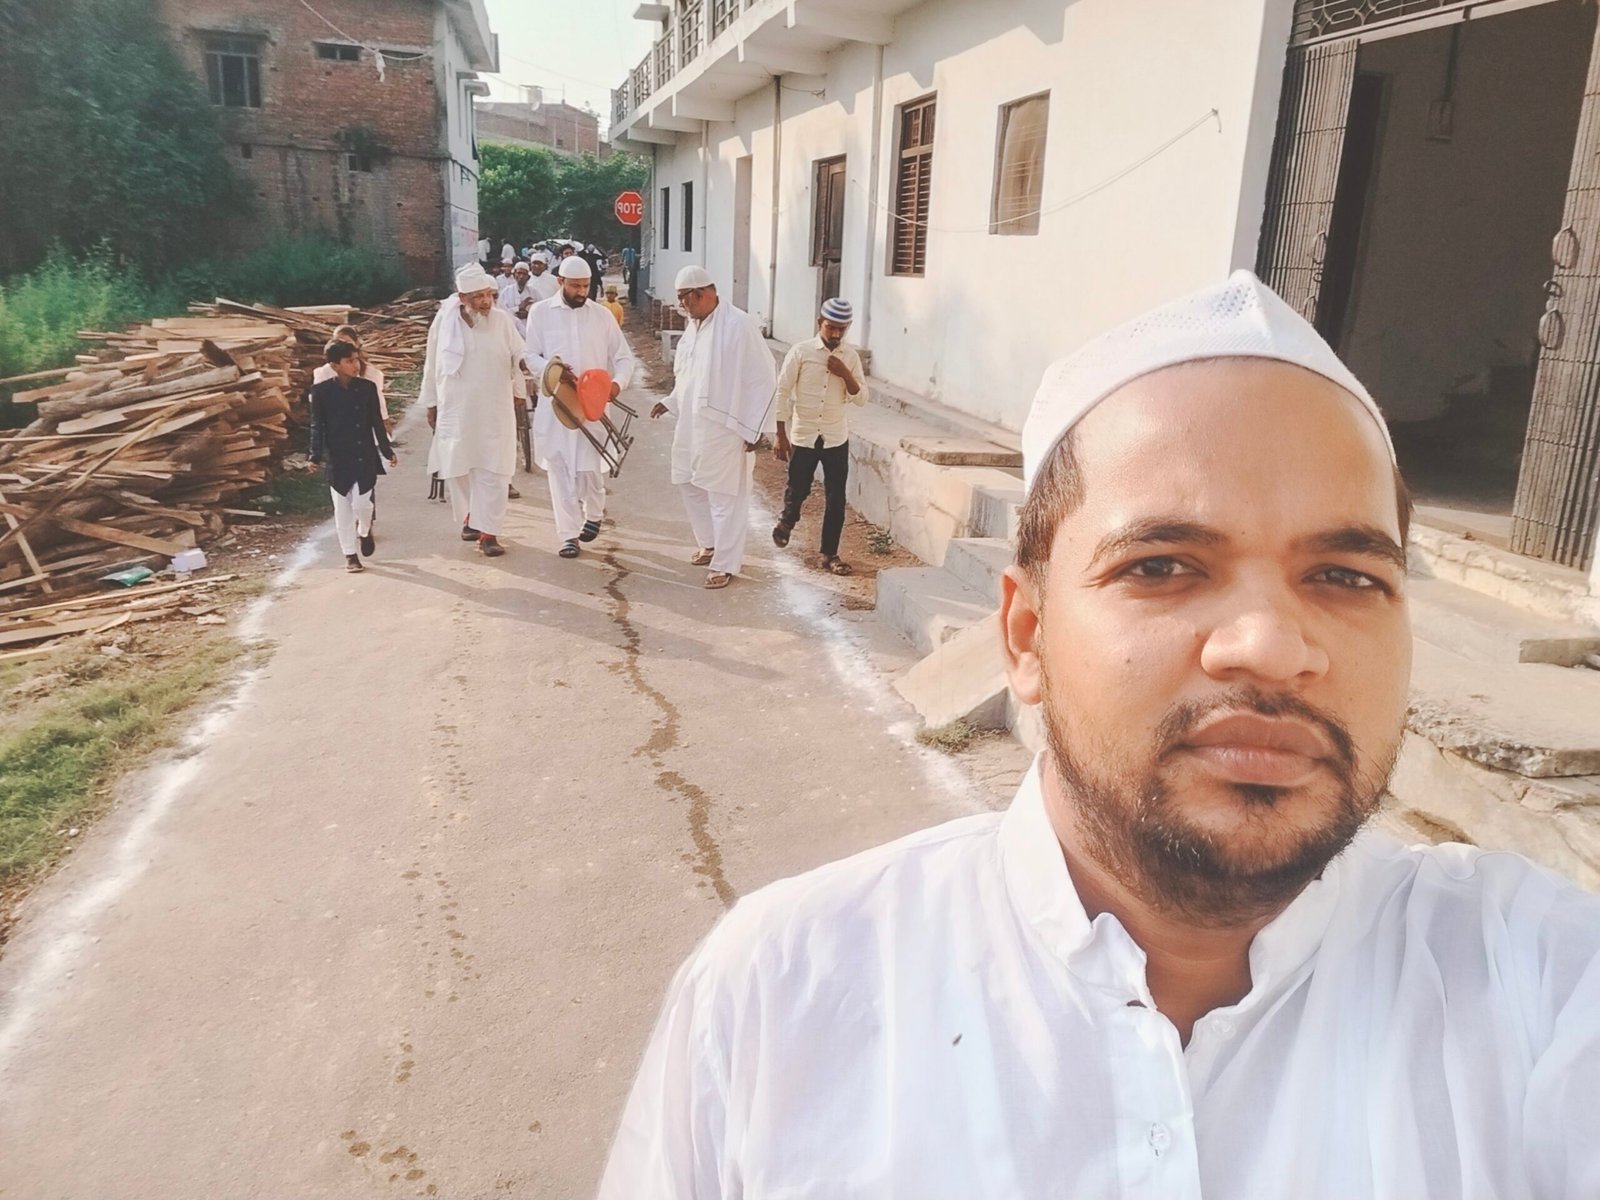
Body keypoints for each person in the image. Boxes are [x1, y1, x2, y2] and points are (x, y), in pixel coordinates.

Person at [599, 270, 1600, 1196]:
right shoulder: (780, 1000)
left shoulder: (1546, 991)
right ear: (1025, 634)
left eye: (1345, 576)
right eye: (1161, 567)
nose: (1268, 646)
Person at [648, 265, 777, 590]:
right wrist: (671, 400)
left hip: (727, 425)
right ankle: (709, 543)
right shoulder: (694, 326)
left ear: (702, 293)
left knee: (724, 495)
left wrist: (756, 428)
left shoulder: (739, 324)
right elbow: (688, 375)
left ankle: (725, 564)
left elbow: (763, 377)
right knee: (688, 481)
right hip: (692, 422)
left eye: (684, 298)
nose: (681, 305)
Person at [522, 254, 637, 559]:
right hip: (557, 405)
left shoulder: (601, 316)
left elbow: (623, 357)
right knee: (559, 468)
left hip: (592, 406)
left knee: (589, 469)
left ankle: (594, 513)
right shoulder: (541, 313)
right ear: (560, 282)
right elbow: (530, 355)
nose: (582, 292)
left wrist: (616, 385)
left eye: (586, 286)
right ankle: (568, 536)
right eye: (575, 286)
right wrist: (552, 369)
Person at [420, 263, 527, 558]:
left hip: (495, 409)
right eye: (478, 296)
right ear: (462, 297)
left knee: (495, 469)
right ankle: (471, 517)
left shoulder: (502, 321)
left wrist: (520, 389)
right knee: (460, 468)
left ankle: (489, 533)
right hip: (457, 409)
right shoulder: (444, 322)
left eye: (488, 295)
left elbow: (520, 354)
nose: (485, 301)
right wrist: (431, 402)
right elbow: (432, 363)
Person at [771, 297, 866, 575]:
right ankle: (788, 520)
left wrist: (845, 373)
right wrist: (780, 434)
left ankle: (829, 554)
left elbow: (861, 398)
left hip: (836, 437)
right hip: (804, 435)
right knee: (798, 488)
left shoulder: (850, 357)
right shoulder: (800, 352)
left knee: (836, 498)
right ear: (819, 323)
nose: (835, 334)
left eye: (841, 329)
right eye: (830, 327)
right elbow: (782, 391)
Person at [309, 340, 395, 574]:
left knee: (362, 505)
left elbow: (376, 422)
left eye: (356, 359)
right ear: (334, 365)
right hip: (338, 457)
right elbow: (317, 426)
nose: (356, 365)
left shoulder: (367, 388)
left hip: (364, 453)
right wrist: (314, 455)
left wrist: (387, 450)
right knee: (342, 509)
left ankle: (364, 531)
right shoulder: (321, 392)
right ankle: (350, 555)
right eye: (349, 361)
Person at [312, 324, 390, 431]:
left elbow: (378, 401)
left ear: (356, 344)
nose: (343, 347)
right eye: (339, 342)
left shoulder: (369, 373)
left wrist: (385, 422)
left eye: (347, 342)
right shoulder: (324, 373)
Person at [499, 262, 539, 337]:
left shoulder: (534, 293)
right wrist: (518, 308)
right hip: (510, 331)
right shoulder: (505, 292)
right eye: (519, 273)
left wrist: (528, 315)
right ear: (514, 275)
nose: (521, 276)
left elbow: (541, 313)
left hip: (529, 332)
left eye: (524, 274)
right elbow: (501, 313)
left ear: (528, 277)